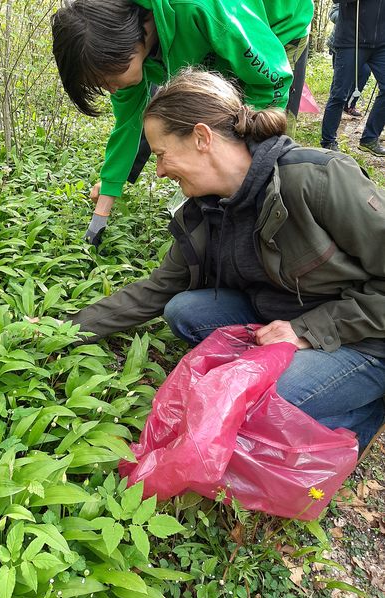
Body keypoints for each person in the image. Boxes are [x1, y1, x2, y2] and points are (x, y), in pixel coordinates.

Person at [68, 68, 385, 454]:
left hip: (362, 337)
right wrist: (66, 330)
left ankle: (363, 408)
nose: (161, 170)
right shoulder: (203, 211)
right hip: (276, 315)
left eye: (163, 155)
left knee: (259, 405)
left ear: (202, 137)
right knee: (182, 310)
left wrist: (307, 330)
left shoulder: (316, 178)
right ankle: (279, 373)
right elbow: (156, 289)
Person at [51, 0, 314, 245]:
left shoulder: (196, 9)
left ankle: (280, 233)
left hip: (275, 28)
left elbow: (272, 77)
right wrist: (102, 210)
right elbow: (128, 124)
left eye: (107, 79)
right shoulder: (127, 57)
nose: (110, 90)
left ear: (127, 41)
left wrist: (254, 148)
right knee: (213, 135)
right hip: (217, 43)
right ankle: (217, 228)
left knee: (262, 149)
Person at [321, 0, 385, 155]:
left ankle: (369, 139)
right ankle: (328, 142)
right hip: (351, 41)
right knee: (340, 94)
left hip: (381, 44)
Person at [327, 2, 371, 118]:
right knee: (340, 80)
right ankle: (335, 109)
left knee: (365, 72)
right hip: (342, 43)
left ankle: (350, 104)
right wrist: (349, 21)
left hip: (365, 45)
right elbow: (333, 13)